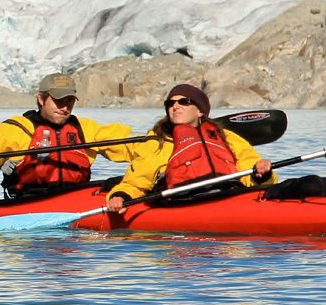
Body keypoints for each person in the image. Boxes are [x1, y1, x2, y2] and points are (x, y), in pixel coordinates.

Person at [0, 73, 139, 197]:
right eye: (58, 101)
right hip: (27, 203)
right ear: (41, 99)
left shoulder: (86, 129)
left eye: (69, 101)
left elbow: (132, 148)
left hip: (75, 199)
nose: (65, 107)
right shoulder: (17, 129)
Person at [107, 83, 274, 213]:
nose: (175, 106)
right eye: (170, 103)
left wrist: (262, 173)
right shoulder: (158, 142)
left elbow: (249, 167)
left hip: (229, 194)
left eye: (184, 102)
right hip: (183, 201)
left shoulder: (225, 137)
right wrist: (121, 195)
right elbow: (138, 179)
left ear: (200, 111)